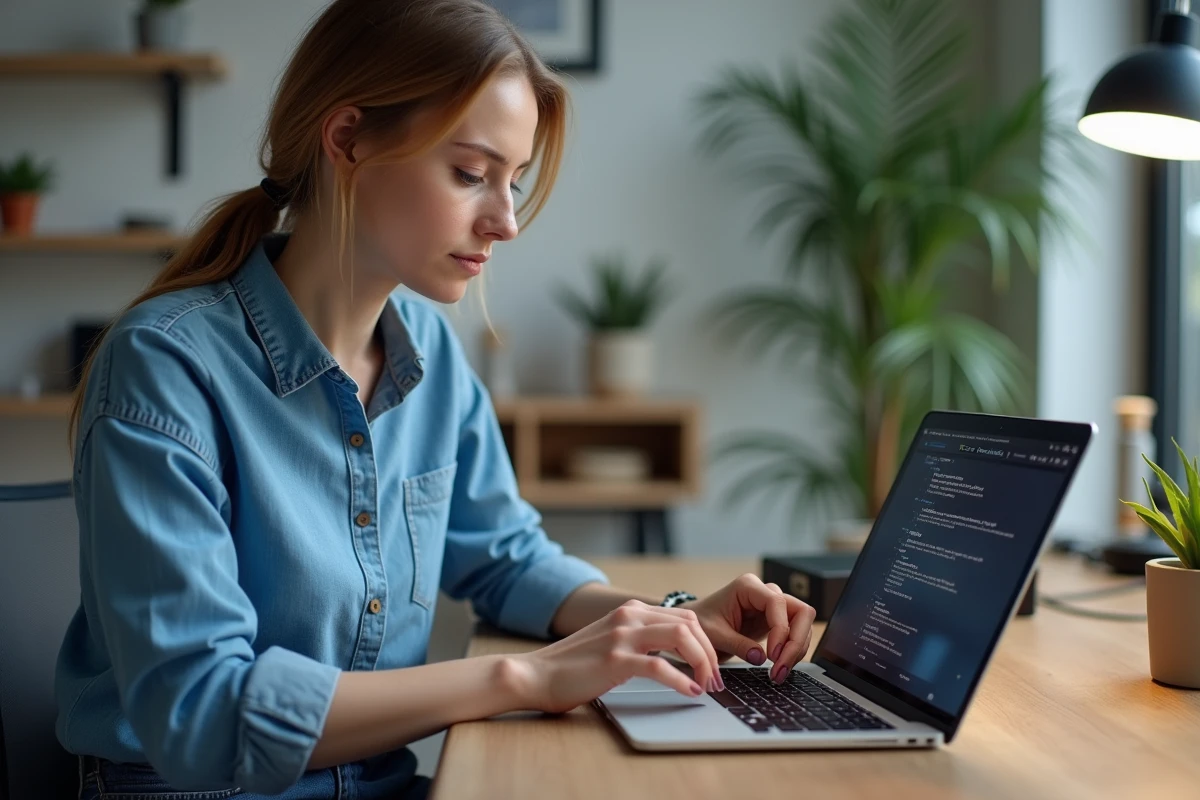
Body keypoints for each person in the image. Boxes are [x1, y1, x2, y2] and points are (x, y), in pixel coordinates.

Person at [55, 1, 818, 798]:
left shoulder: (429, 352)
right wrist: (524, 679)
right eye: (470, 174)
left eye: (514, 182)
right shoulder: (164, 366)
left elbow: (506, 558)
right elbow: (202, 718)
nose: (507, 222)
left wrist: (675, 622)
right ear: (347, 138)